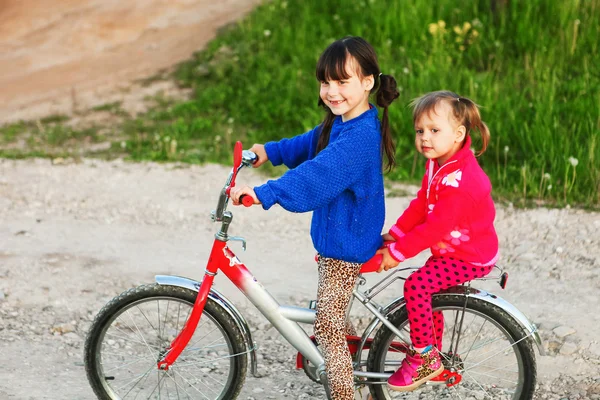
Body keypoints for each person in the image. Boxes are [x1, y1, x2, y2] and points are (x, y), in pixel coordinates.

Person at [230, 36, 399, 399]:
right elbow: (311, 143)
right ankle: (356, 364)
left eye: (342, 82)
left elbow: (319, 174)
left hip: (346, 248)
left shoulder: (358, 139)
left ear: (368, 82)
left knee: (327, 329)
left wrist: (265, 193)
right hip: (338, 240)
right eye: (326, 82)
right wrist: (269, 152)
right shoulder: (342, 122)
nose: (332, 91)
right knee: (333, 316)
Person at [376, 90, 499, 392]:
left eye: (434, 130)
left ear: (458, 134)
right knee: (428, 293)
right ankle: (433, 348)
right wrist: (398, 233)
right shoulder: (439, 163)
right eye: (420, 131)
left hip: (468, 255)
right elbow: (422, 203)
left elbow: (434, 227)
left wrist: (398, 253)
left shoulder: (462, 182)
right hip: (451, 249)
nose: (424, 138)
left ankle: (425, 358)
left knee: (416, 286)